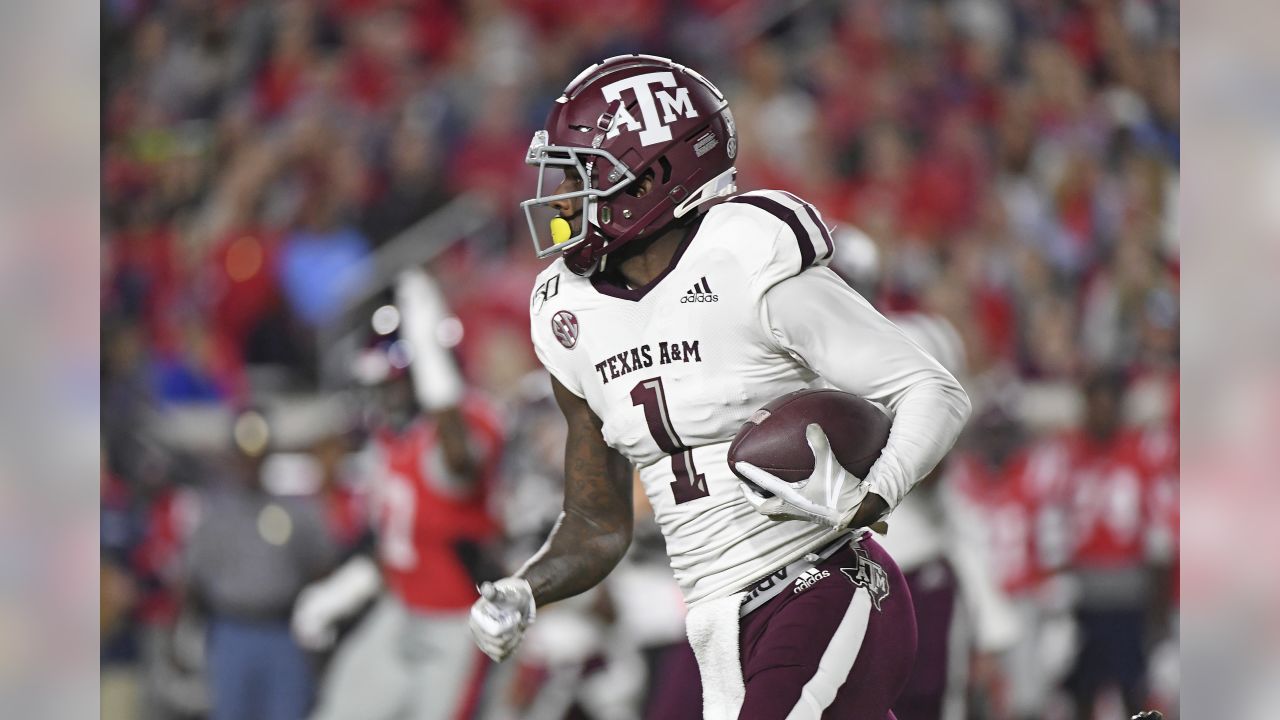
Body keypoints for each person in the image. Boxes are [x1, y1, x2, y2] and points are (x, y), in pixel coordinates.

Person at [468, 54, 971, 720]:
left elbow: (933, 392)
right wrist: (523, 591)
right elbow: (597, 523)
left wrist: (872, 494)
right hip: (714, 622)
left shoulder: (745, 255)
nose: (562, 201)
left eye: (585, 176)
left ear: (653, 176)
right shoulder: (568, 314)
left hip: (824, 583)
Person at [292, 269, 504, 720]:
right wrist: (344, 589)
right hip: (400, 607)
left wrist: (429, 354)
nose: (384, 401)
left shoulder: (466, 421)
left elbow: (459, 464)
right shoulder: (391, 441)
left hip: (457, 623)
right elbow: (396, 542)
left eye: (392, 386)